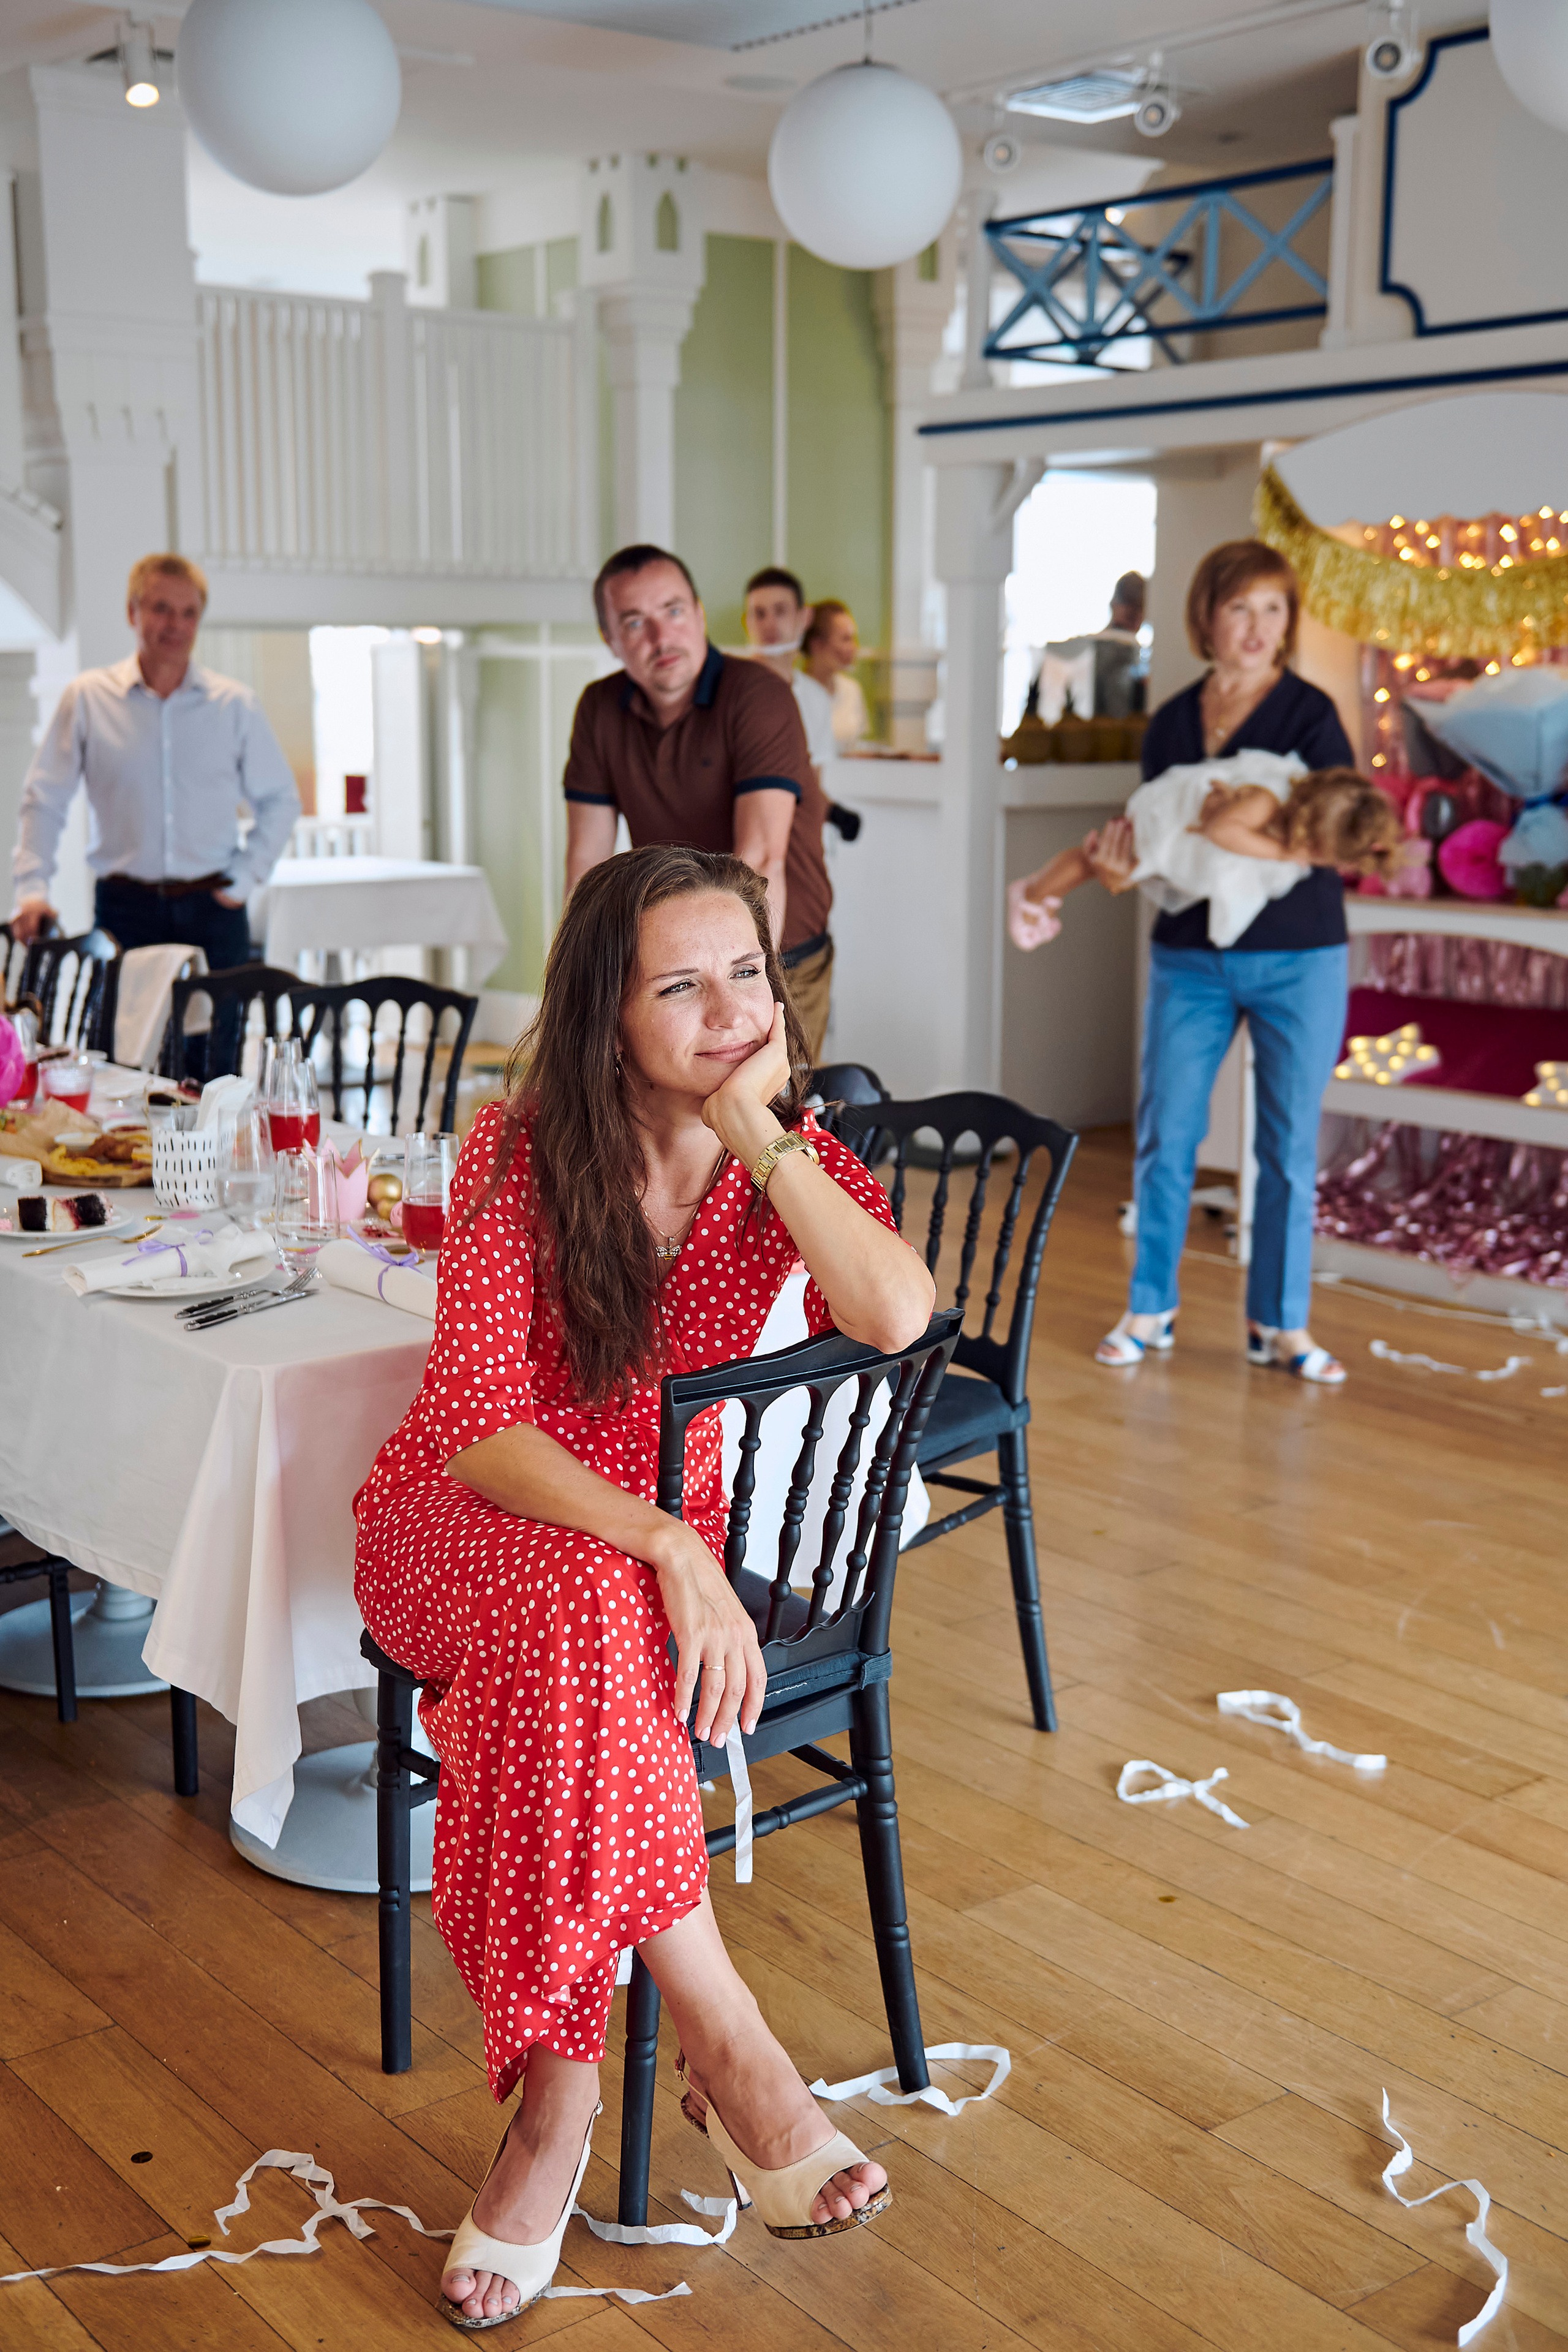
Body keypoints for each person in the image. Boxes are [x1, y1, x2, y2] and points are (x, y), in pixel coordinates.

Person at [353, 843, 936, 2328]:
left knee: (586, 1635)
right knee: (579, 1607)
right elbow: (479, 1422)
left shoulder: (779, 1160)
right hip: (468, 1514)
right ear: (606, 1012)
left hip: (628, 1568)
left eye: (745, 971)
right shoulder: (517, 1147)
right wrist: (673, 1543)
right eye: (678, 985)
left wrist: (762, 1132)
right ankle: (724, 2043)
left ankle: (553, 2111)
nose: (727, 1006)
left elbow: (895, 1312)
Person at [1085, 539, 1358, 1384]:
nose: (1257, 627)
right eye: (1240, 608)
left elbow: (1331, 837)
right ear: (1207, 616)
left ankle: (1279, 1325)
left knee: (1286, 1147)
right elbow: (1158, 843)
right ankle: (1150, 1308)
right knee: (1167, 1133)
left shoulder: (1313, 715)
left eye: (1273, 610)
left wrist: (1231, 827)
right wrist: (1112, 870)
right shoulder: (1170, 722)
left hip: (1300, 955)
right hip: (1190, 959)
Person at [564, 544, 836, 1061]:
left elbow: (761, 858)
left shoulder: (759, 696)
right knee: (672, 1127)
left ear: (700, 613)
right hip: (671, 965)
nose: (663, 637)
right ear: (610, 639)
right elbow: (586, 862)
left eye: (673, 611)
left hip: (776, 953)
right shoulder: (600, 710)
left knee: (768, 1119)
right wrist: (580, 990)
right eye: (636, 622)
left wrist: (751, 984)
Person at [9, 554, 300, 976]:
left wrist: (243, 880)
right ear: (133, 611)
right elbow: (44, 799)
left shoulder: (235, 706)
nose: (175, 625)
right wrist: (32, 889)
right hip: (125, 910)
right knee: (124, 1043)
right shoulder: (89, 698)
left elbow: (280, 800)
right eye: (161, 609)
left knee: (216, 1043)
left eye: (188, 613)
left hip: (214, 910)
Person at [1008, 752, 1403, 951]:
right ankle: (1031, 895)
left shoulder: (1285, 813)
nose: (1311, 863)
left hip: (1178, 838)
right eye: (1317, 855)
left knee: (1093, 862)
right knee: (1093, 863)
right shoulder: (1266, 801)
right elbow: (1220, 830)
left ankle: (1037, 894)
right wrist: (1282, 855)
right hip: (1166, 824)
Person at [798, 598, 869, 755]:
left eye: (854, 639)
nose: (853, 648)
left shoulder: (852, 690)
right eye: (846, 639)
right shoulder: (795, 693)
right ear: (816, 645)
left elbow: (857, 746)